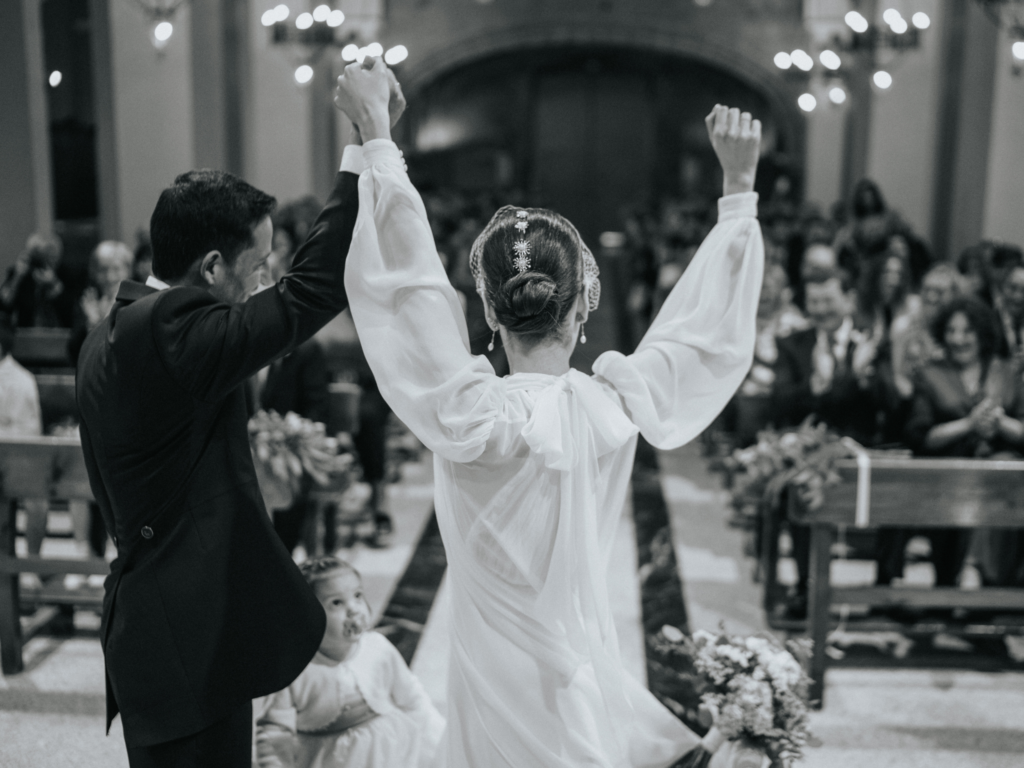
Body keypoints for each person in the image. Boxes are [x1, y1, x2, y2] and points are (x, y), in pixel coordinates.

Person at [337, 60, 763, 768]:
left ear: (489, 316)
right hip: (575, 669)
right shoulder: (613, 406)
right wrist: (738, 193)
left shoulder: (465, 413)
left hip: (484, 673)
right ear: (583, 311)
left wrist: (377, 133)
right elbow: (699, 337)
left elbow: (407, 286)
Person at [75, 61, 405, 767]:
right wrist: (364, 147)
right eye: (258, 267)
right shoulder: (172, 330)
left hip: (165, 625)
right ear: (214, 267)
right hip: (183, 634)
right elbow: (309, 295)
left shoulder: (117, 326)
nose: (264, 282)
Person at [255, 557, 444, 768]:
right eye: (337, 602)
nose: (354, 609)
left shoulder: (377, 647)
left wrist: (440, 739)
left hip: (391, 753)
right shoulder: (296, 671)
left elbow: (411, 698)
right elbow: (275, 733)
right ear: (306, 615)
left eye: (358, 595)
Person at [902, 297, 1024, 589]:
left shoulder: (1005, 372)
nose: (958, 339)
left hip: (1001, 477)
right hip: (947, 475)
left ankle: (976, 570)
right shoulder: (930, 374)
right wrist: (968, 424)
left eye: (967, 331)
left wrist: (999, 422)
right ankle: (970, 574)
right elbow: (921, 437)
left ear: (981, 333)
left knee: (1003, 470)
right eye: (951, 331)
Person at [0, 312, 49, 588]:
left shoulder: (21, 380)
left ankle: (30, 565)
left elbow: (28, 435)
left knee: (37, 500)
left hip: (16, 464)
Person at [0, 233, 74, 328]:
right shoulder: (22, 273)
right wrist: (17, 277)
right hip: (26, 334)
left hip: (59, 334)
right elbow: (4, 306)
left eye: (52, 256)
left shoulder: (64, 274)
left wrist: (54, 283)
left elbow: (70, 310)